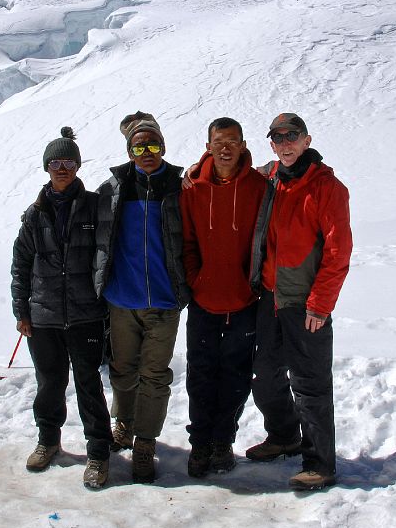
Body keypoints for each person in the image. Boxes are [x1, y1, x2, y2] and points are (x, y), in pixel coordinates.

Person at [246, 113, 353, 490]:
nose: (285, 143)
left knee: (310, 385)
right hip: (271, 297)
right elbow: (231, 173)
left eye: (292, 137)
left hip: (306, 303)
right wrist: (198, 166)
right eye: (278, 138)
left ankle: (320, 463)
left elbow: (339, 251)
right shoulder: (270, 177)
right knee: (265, 376)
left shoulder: (327, 187)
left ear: (306, 140)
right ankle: (284, 436)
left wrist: (320, 304)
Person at [11, 127, 111, 490]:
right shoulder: (34, 214)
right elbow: (21, 263)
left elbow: (106, 256)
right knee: (50, 384)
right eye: (56, 162)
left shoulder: (94, 206)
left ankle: (99, 452)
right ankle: (48, 440)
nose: (62, 168)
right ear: (47, 167)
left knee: (89, 385)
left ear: (78, 165)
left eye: (69, 162)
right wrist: (21, 310)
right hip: (44, 315)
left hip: (86, 314)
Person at [94, 111, 189, 483]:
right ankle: (125, 423)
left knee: (155, 375)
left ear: (163, 146)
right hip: (122, 300)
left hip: (164, 302)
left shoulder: (180, 188)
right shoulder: (113, 189)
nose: (147, 151)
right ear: (129, 150)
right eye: (139, 146)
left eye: (153, 144)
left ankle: (145, 442)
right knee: (122, 370)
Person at [180, 117, 269, 478]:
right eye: (219, 142)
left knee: (236, 376)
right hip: (204, 301)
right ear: (208, 147)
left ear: (244, 145)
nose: (226, 148)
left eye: (233, 141)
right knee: (200, 376)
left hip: (244, 302)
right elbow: (187, 242)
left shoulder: (259, 186)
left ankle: (222, 443)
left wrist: (253, 283)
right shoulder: (192, 189)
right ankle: (199, 444)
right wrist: (195, 280)